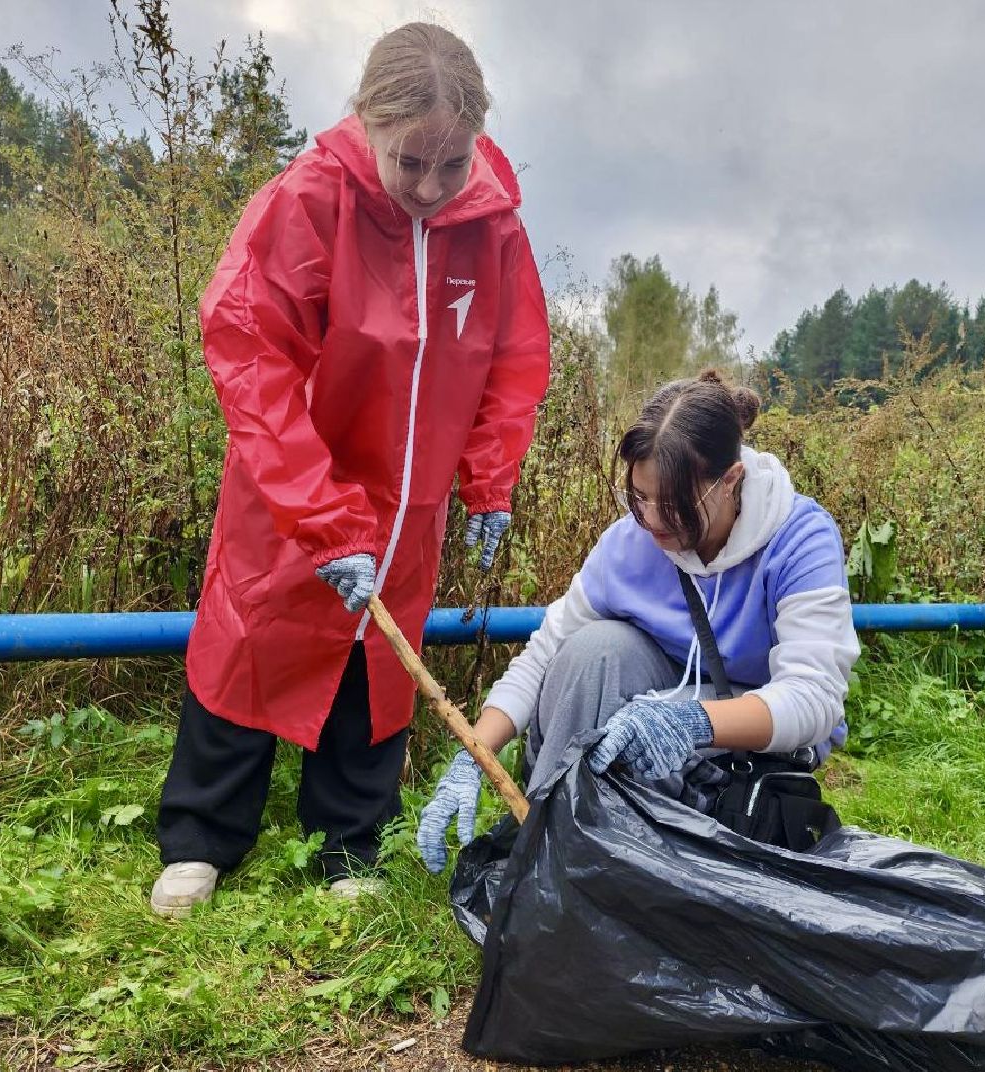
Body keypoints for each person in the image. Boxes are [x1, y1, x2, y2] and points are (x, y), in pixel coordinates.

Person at [151, 22, 550, 916]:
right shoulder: (310, 199)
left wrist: (489, 479)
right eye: (410, 161)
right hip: (293, 484)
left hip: (411, 501)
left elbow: (513, 359)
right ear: (367, 122)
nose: (430, 188)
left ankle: (346, 843)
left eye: (452, 166)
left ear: (478, 142)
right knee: (256, 638)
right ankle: (203, 839)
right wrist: (319, 513)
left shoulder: (492, 230)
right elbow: (250, 350)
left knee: (378, 666)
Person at [417, 370, 860, 873]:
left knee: (646, 712)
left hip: (749, 744)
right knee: (595, 648)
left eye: (672, 506)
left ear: (731, 479)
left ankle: (645, 862)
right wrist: (476, 754)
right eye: (639, 498)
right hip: (652, 709)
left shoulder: (800, 538)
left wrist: (691, 721)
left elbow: (815, 698)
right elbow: (543, 657)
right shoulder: (629, 543)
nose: (650, 521)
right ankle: (557, 854)